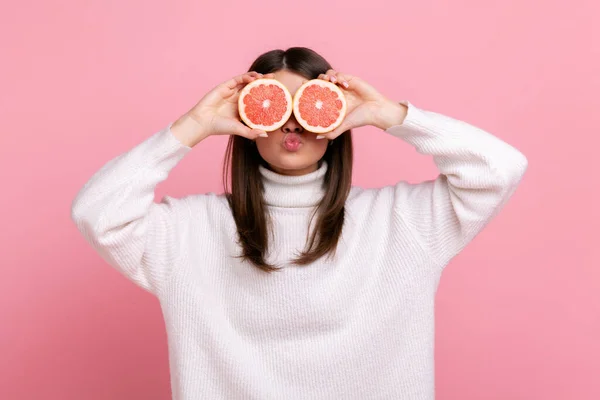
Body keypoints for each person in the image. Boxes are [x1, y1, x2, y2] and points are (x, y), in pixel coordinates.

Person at [71, 47, 528, 400]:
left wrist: (390, 115)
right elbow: (97, 212)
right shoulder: (190, 230)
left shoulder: (403, 222)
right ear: (247, 120)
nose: (291, 121)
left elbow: (500, 168)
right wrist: (192, 126)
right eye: (274, 104)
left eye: (308, 104)